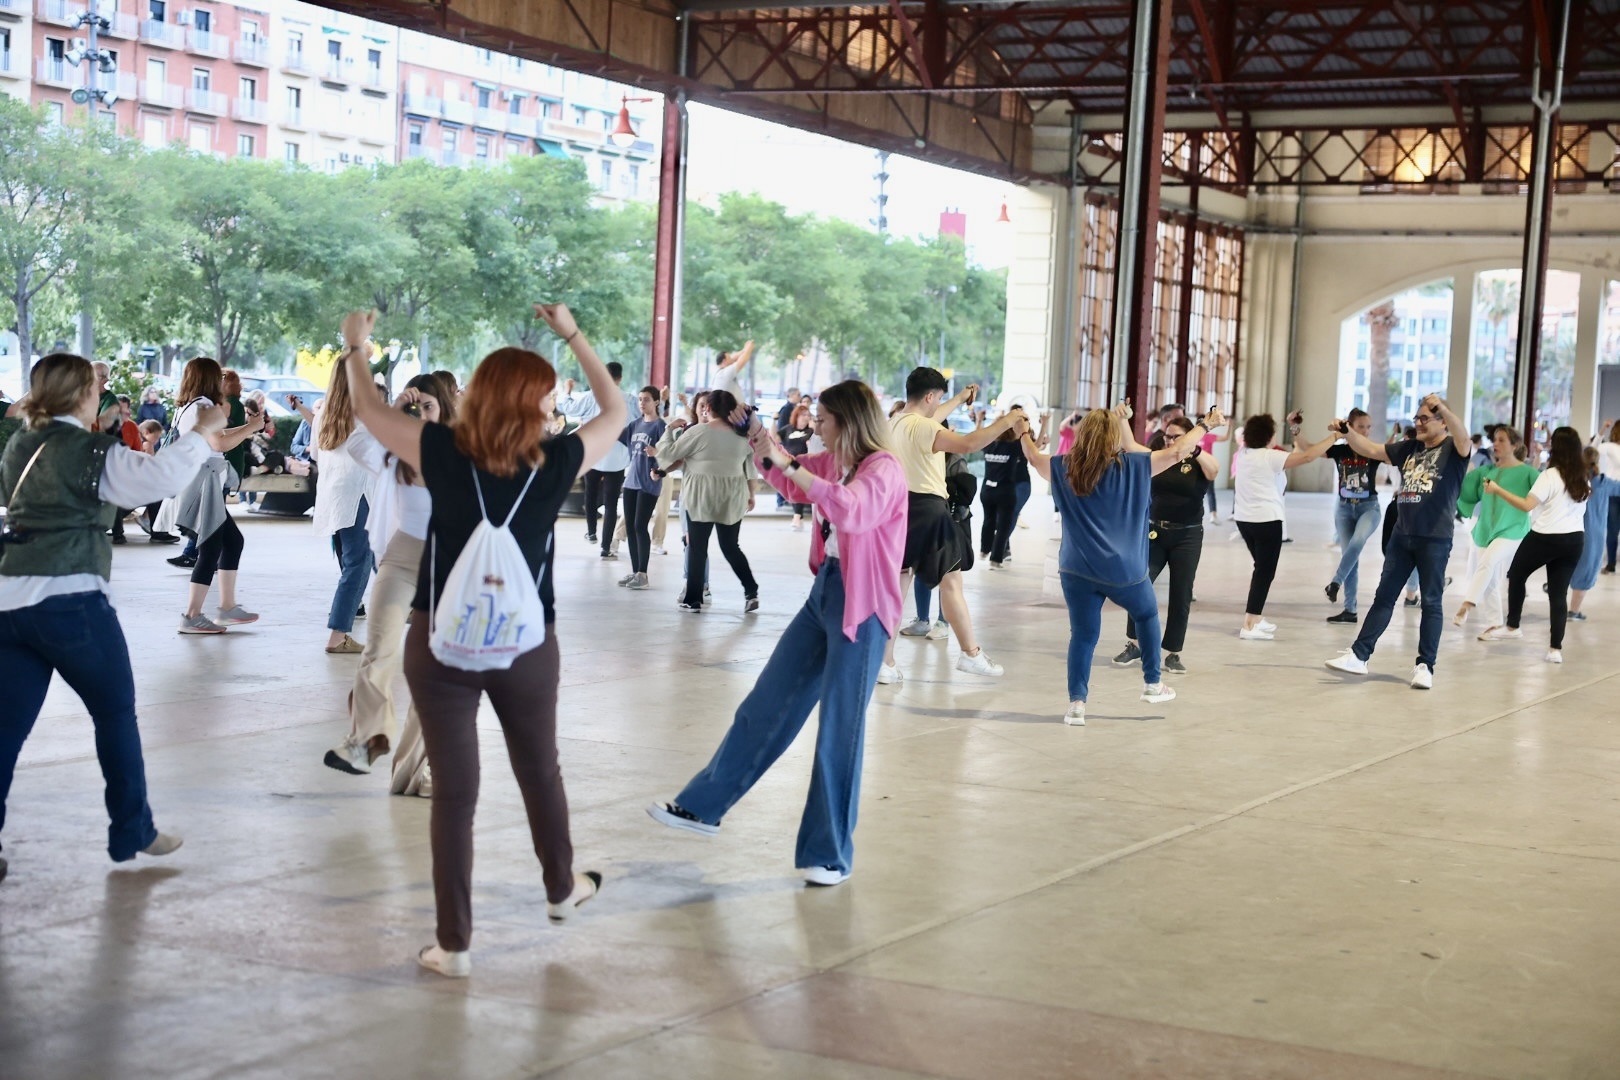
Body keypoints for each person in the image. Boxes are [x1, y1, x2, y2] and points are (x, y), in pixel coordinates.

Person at [339, 304, 619, 978]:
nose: (554, 405)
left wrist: (356, 346)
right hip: (527, 645)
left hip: (439, 643)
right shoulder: (557, 461)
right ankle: (560, 888)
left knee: (456, 795)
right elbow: (617, 410)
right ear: (532, 404)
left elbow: (369, 411)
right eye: (547, 396)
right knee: (538, 769)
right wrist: (573, 335)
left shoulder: (439, 450)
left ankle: (454, 945)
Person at [646, 380, 906, 887]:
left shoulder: (883, 470)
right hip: (825, 595)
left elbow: (851, 510)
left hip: (864, 607)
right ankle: (703, 807)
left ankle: (829, 854)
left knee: (838, 732)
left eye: (825, 420)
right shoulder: (837, 463)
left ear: (849, 421)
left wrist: (787, 462)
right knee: (765, 705)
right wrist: (758, 437)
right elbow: (791, 481)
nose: (817, 427)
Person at [0, 354, 223, 881]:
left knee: (6, 732)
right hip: (71, 599)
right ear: (83, 396)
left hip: (10, 601)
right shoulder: (89, 450)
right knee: (115, 714)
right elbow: (160, 478)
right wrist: (202, 433)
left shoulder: (19, 444)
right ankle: (132, 830)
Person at [1024, 403, 1221, 724]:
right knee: (1145, 614)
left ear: (1082, 434)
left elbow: (1033, 458)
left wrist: (1024, 435)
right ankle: (1152, 683)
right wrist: (1206, 424)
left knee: (1084, 636)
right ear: (1115, 436)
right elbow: (1179, 452)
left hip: (1075, 569)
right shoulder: (1135, 466)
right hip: (1124, 569)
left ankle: (1076, 705)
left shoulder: (1063, 467)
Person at [324, 373, 455, 779]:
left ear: (445, 408)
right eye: (416, 410)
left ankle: (419, 768)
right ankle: (365, 741)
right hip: (401, 555)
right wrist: (396, 410)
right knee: (378, 649)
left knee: (433, 670)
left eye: (429, 408)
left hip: (448, 563)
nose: (422, 418)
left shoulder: (464, 448)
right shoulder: (394, 453)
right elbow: (358, 441)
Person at [880, 369, 1021, 685]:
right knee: (952, 584)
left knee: (897, 589)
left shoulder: (895, 422)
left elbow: (930, 417)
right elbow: (970, 444)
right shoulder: (927, 428)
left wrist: (958, 399)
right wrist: (1007, 421)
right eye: (939, 398)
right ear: (930, 396)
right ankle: (971, 654)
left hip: (900, 510)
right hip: (930, 511)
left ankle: (884, 662)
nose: (939, 405)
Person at [1325, 394, 1471, 688]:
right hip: (1402, 535)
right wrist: (1346, 432)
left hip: (1435, 539)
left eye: (1424, 419)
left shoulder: (1454, 450)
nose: (1417, 423)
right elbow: (1371, 448)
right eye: (1416, 418)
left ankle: (1425, 667)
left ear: (1442, 421)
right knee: (1384, 597)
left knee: (1431, 602)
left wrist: (1442, 405)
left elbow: (1464, 435)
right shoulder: (1409, 447)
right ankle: (1359, 655)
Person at [1112, 414, 1219, 673]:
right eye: (1167, 435)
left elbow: (1214, 470)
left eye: (1175, 436)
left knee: (1181, 593)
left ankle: (1173, 652)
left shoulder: (1200, 461)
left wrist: (1193, 449)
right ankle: (1134, 644)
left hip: (1188, 535)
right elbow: (1129, 445)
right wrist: (1123, 419)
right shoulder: (1158, 456)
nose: (1169, 440)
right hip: (1155, 532)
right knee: (1139, 584)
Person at [1478, 426, 1591, 663]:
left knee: (1516, 574)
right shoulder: (1582, 477)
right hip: (1574, 540)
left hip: (1546, 537)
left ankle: (1513, 626)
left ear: (1557, 448)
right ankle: (1555, 650)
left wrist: (1498, 490)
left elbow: (1527, 505)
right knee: (1558, 594)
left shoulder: (1550, 476)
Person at [172, 357, 268, 634]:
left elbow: (219, 435)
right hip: (205, 482)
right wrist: (251, 428)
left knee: (231, 541)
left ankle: (227, 608)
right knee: (212, 547)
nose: (223, 382)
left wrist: (250, 428)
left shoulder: (191, 406)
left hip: (202, 479)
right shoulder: (203, 406)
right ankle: (192, 615)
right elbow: (219, 442)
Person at [1230, 413, 1336, 639]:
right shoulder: (1270, 456)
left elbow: (1298, 454)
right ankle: (1249, 625)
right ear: (1269, 436)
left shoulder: (1244, 454)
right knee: (1264, 572)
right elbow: (1307, 457)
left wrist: (1294, 428)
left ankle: (1256, 617)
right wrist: (1335, 436)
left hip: (1244, 521)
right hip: (1267, 521)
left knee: (1262, 569)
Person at [656, 388, 760, 613]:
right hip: (732, 496)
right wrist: (752, 494)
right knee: (731, 546)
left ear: (709, 408)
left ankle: (693, 599)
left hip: (701, 497)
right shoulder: (742, 436)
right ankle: (751, 590)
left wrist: (668, 430)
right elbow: (750, 468)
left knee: (697, 548)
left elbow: (668, 454)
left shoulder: (699, 431)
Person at [310, 357, 377, 655]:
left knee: (355, 561)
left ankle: (341, 630)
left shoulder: (324, 413)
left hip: (334, 496)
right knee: (359, 562)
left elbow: (315, 454)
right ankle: (338, 634)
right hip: (359, 495)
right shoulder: (365, 413)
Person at [1452, 425, 1536, 633]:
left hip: (1513, 530)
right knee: (1488, 577)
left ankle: (1467, 604)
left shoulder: (1528, 473)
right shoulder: (1487, 471)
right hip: (1485, 531)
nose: (1495, 444)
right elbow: (1463, 490)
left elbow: (1546, 493)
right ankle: (1494, 623)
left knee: (1487, 562)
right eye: (1495, 440)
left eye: (1501, 440)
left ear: (1515, 446)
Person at [557, 363, 637, 557]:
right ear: (620, 378)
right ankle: (605, 547)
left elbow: (567, 407)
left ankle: (592, 532)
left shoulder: (592, 395)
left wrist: (568, 390)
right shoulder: (629, 399)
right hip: (617, 458)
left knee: (590, 494)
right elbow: (641, 418)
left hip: (593, 454)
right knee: (610, 504)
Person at [1322, 409, 1382, 624]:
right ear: (1351, 427)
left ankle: (1335, 582)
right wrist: (1295, 429)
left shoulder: (1374, 451)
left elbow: (1397, 455)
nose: (1365, 431)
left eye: (1368, 427)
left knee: (1357, 542)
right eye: (1360, 427)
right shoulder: (1340, 451)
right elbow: (1308, 450)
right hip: (1344, 509)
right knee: (1351, 556)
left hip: (1369, 508)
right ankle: (1350, 610)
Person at [617, 385, 666, 590]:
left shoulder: (660, 427)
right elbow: (615, 435)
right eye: (639, 399)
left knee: (639, 526)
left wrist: (659, 467)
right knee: (630, 527)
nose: (641, 403)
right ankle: (635, 570)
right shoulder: (634, 425)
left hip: (649, 483)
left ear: (656, 402)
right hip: (631, 483)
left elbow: (669, 454)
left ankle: (643, 574)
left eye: (646, 399)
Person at [1568, 446, 1617, 622]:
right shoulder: (1604, 483)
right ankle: (1573, 611)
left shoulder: (1572, 481)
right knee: (1587, 571)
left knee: (1568, 565)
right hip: (1593, 535)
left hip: (1570, 530)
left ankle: (1554, 587)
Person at [979, 407, 1030, 569]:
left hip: (986, 490)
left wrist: (980, 421)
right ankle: (995, 559)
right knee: (1003, 526)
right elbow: (1031, 447)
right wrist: (1024, 429)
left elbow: (978, 436)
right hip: (1005, 492)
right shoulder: (1015, 447)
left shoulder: (988, 445)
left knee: (988, 520)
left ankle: (983, 550)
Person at [781, 404, 815, 529]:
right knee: (794, 489)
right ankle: (798, 517)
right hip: (790, 462)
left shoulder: (811, 430)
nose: (806, 417)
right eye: (803, 415)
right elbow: (774, 438)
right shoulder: (789, 429)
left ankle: (797, 517)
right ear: (797, 416)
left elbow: (816, 445)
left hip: (806, 464)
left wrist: (814, 428)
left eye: (808, 415)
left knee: (800, 488)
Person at [1600, 421, 1620, 574]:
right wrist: (1602, 430)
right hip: (1613, 491)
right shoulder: (1609, 447)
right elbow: (1592, 448)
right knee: (1612, 530)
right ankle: (1611, 563)